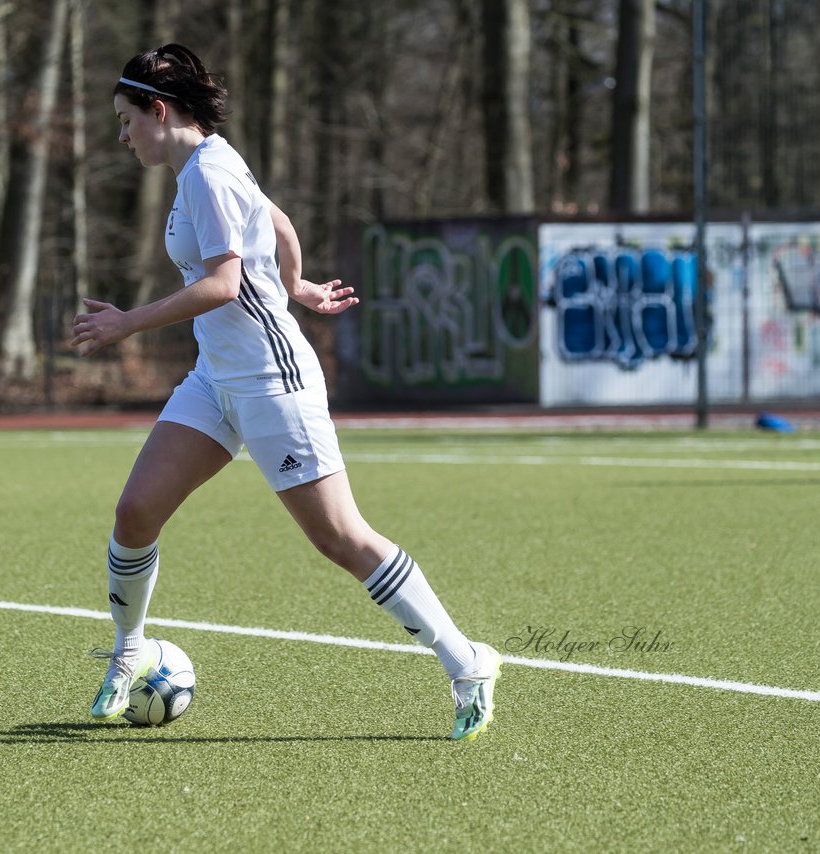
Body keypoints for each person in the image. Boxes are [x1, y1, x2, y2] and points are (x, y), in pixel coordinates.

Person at [73, 44, 500, 742]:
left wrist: (129, 323)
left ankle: (467, 661)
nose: (120, 136)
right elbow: (277, 222)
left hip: (274, 380)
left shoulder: (207, 175)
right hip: (217, 379)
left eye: (125, 120)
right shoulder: (201, 167)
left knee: (341, 538)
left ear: (159, 109)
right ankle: (127, 654)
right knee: (135, 512)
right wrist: (296, 284)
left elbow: (223, 284)